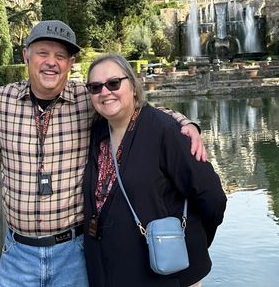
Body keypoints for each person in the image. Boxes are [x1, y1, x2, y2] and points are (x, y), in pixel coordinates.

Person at [0, 20, 206, 286]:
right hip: (19, 254)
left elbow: (138, 111)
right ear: (26, 55)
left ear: (70, 63)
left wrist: (186, 124)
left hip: (74, 253)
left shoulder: (87, 98)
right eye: (43, 53)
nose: (51, 63)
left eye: (61, 56)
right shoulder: (4, 101)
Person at [82, 54, 227, 287]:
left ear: (133, 87)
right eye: (95, 87)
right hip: (112, 272)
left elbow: (212, 196)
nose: (105, 92)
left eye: (113, 83)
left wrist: (190, 240)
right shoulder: (97, 132)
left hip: (166, 275)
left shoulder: (165, 131)